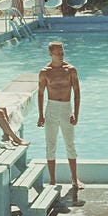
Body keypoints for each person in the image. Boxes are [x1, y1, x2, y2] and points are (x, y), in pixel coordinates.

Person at [37, 41, 82, 189]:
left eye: (62, 53)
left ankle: (75, 179)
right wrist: (40, 115)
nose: (61, 56)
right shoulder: (45, 72)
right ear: (51, 54)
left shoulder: (71, 70)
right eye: (58, 53)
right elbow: (40, 93)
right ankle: (52, 180)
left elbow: (77, 92)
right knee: (51, 144)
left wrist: (76, 113)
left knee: (70, 143)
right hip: (51, 108)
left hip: (66, 108)